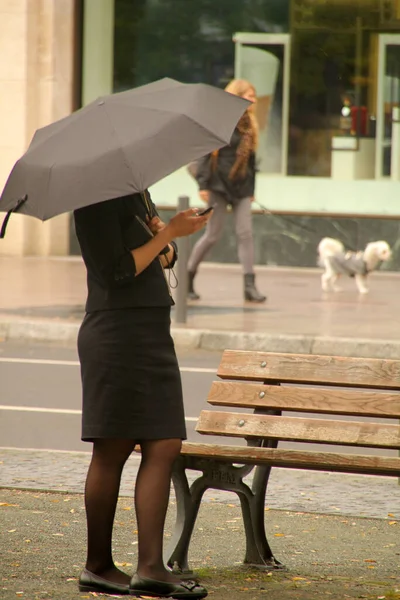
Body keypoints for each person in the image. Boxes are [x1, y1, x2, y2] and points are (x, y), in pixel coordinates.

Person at [73, 191, 209, 599]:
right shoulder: (95, 198)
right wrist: (168, 232)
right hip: (116, 333)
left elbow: (161, 259)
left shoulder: (136, 193)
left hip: (151, 332)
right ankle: (98, 565)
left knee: (164, 442)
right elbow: (116, 270)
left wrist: (164, 240)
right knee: (112, 448)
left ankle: (150, 567)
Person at [187, 78, 266, 303]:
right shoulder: (220, 120)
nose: (253, 99)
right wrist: (202, 185)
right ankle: (188, 276)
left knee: (245, 233)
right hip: (217, 185)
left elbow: (251, 163)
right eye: (249, 95)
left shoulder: (250, 125)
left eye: (254, 95)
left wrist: (252, 190)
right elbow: (203, 154)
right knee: (212, 235)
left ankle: (249, 286)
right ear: (236, 96)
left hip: (241, 187)